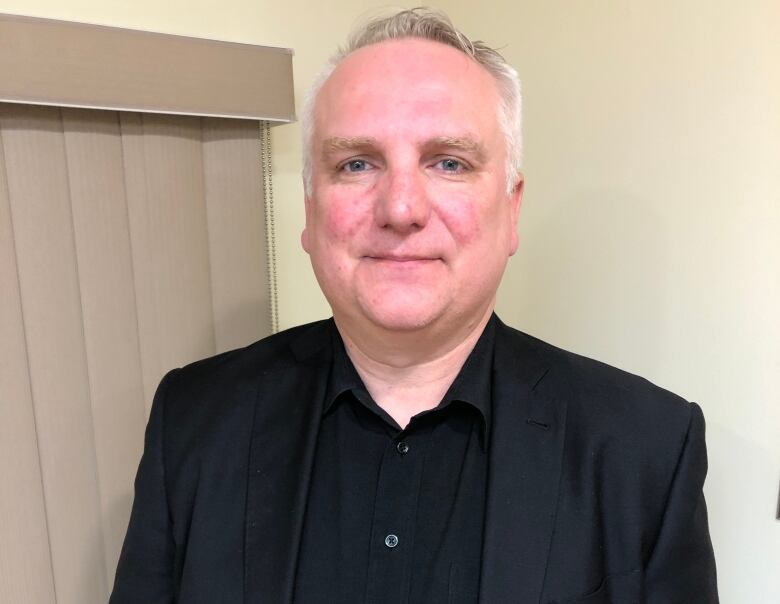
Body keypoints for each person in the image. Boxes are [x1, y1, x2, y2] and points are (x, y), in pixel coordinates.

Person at [110, 8, 718, 603]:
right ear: (310, 212)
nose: (400, 209)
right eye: (356, 163)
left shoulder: (648, 450)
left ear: (511, 210)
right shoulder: (193, 421)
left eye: (448, 162)